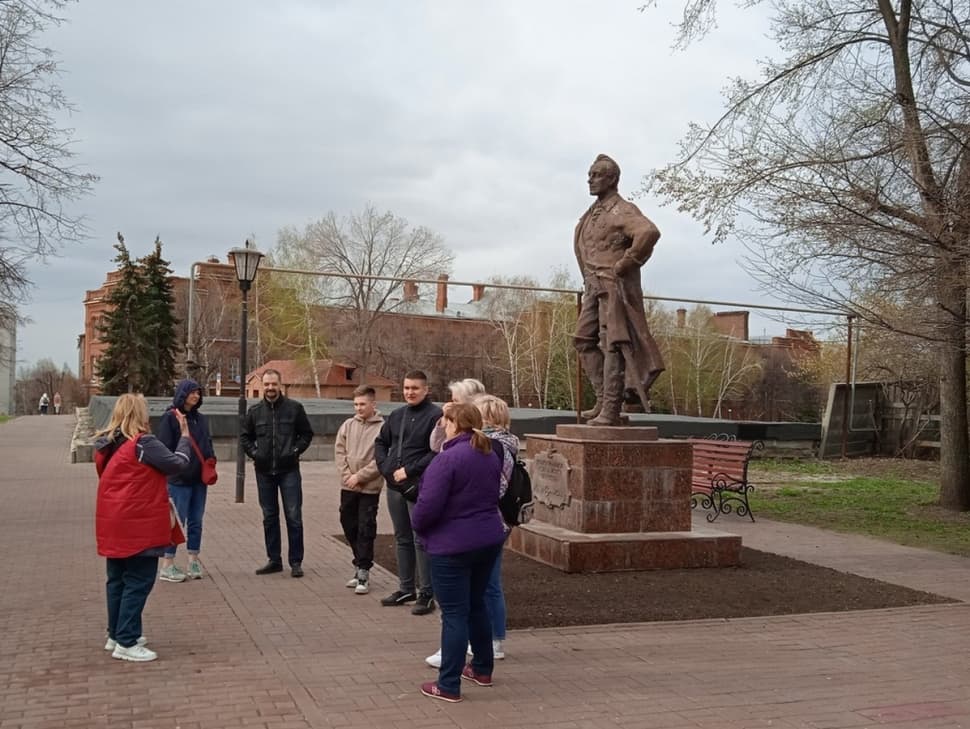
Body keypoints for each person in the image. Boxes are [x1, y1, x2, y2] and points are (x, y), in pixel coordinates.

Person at [411, 402, 505, 703]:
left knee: (454, 614)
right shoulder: (489, 454)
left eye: (444, 421)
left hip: (452, 545)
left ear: (453, 424)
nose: (441, 425)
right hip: (488, 538)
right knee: (476, 605)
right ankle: (482, 669)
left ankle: (448, 684)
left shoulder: (447, 459)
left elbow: (427, 507)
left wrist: (419, 528)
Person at [94, 393, 191, 662]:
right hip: (138, 524)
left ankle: (116, 634)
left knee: (117, 580)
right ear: (139, 414)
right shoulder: (143, 443)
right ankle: (127, 640)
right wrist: (184, 437)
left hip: (112, 521)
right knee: (139, 580)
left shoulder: (107, 444)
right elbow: (177, 464)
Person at [574, 153, 665, 425]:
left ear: (612, 179)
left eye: (596, 175)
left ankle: (611, 409)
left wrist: (625, 263)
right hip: (593, 285)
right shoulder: (590, 215)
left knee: (613, 343)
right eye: (590, 174)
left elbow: (649, 232)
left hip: (613, 287)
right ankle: (602, 398)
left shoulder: (621, 209)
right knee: (583, 339)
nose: (590, 180)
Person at [374, 370, 441, 615]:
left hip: (419, 486)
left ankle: (426, 593)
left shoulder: (436, 416)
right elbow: (381, 442)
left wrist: (409, 470)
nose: (410, 392)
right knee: (401, 537)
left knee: (420, 539)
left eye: (415, 388)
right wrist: (385, 468)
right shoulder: (397, 414)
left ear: (426, 390)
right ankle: (405, 588)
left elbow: (436, 451)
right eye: (406, 388)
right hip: (394, 486)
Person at [240, 369, 314, 578]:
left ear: (280, 385)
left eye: (274, 384)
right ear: (262, 386)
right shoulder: (254, 412)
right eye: (267, 384)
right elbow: (245, 437)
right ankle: (274, 560)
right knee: (269, 517)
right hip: (264, 472)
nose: (270, 388)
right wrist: (256, 454)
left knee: (294, 516)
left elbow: (307, 434)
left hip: (289, 470)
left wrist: (295, 450)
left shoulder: (294, 409)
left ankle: (296, 561)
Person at [156, 379, 214, 582]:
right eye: (192, 393)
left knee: (196, 520)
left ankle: (193, 559)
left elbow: (207, 442)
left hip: (199, 479)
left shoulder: (201, 419)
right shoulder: (171, 418)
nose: (196, 396)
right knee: (175, 522)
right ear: (183, 394)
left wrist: (210, 460)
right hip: (179, 480)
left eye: (198, 393)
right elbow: (164, 449)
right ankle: (168, 563)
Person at [335, 385, 384, 595]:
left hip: (369, 488)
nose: (359, 408)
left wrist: (360, 477)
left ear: (373, 404)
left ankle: (364, 569)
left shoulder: (383, 428)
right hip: (348, 486)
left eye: (363, 404)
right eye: (356, 404)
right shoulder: (348, 425)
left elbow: (381, 459)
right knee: (348, 523)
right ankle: (358, 562)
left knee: (366, 527)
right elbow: (339, 451)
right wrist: (347, 476)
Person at [429, 378, 486, 453]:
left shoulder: (479, 425)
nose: (451, 404)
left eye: (456, 401)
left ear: (470, 403)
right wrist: (444, 419)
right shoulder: (455, 420)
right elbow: (435, 446)